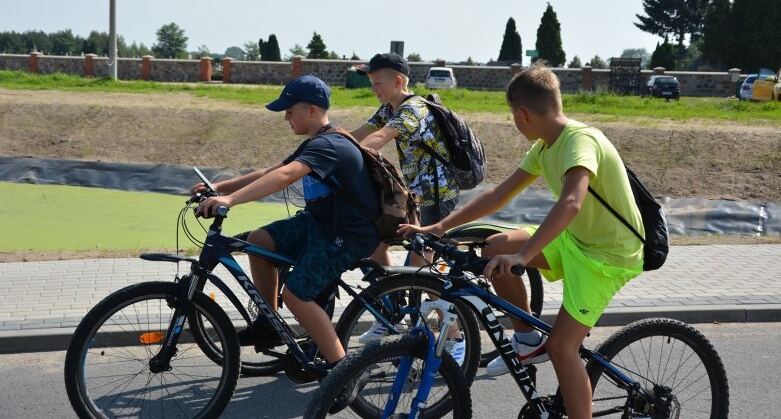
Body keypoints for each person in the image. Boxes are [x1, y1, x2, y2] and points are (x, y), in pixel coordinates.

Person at [399, 63, 644, 419]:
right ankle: (528, 340)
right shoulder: (546, 146)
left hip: (608, 256)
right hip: (575, 241)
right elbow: (499, 194)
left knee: (563, 349)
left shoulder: (581, 141)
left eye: (512, 116)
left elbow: (572, 202)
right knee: (496, 247)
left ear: (522, 114)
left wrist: (525, 255)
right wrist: (439, 228)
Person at [193, 75, 380, 366]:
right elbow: (272, 170)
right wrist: (221, 188)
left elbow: (285, 177)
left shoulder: (329, 144)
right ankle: (269, 323)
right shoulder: (316, 142)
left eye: (290, 111)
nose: (286, 118)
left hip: (346, 235)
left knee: (295, 295)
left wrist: (229, 201)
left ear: (314, 110)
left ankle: (342, 371)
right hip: (319, 224)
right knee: (259, 240)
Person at [350, 52, 464, 362]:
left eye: (378, 83)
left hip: (437, 196)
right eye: (372, 83)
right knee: (375, 241)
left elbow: (379, 138)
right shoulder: (389, 106)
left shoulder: (413, 109)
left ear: (399, 81)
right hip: (414, 193)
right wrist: (326, 145)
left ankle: (455, 335)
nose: (374, 88)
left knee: (418, 269)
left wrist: (345, 159)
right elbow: (358, 134)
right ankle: (391, 316)